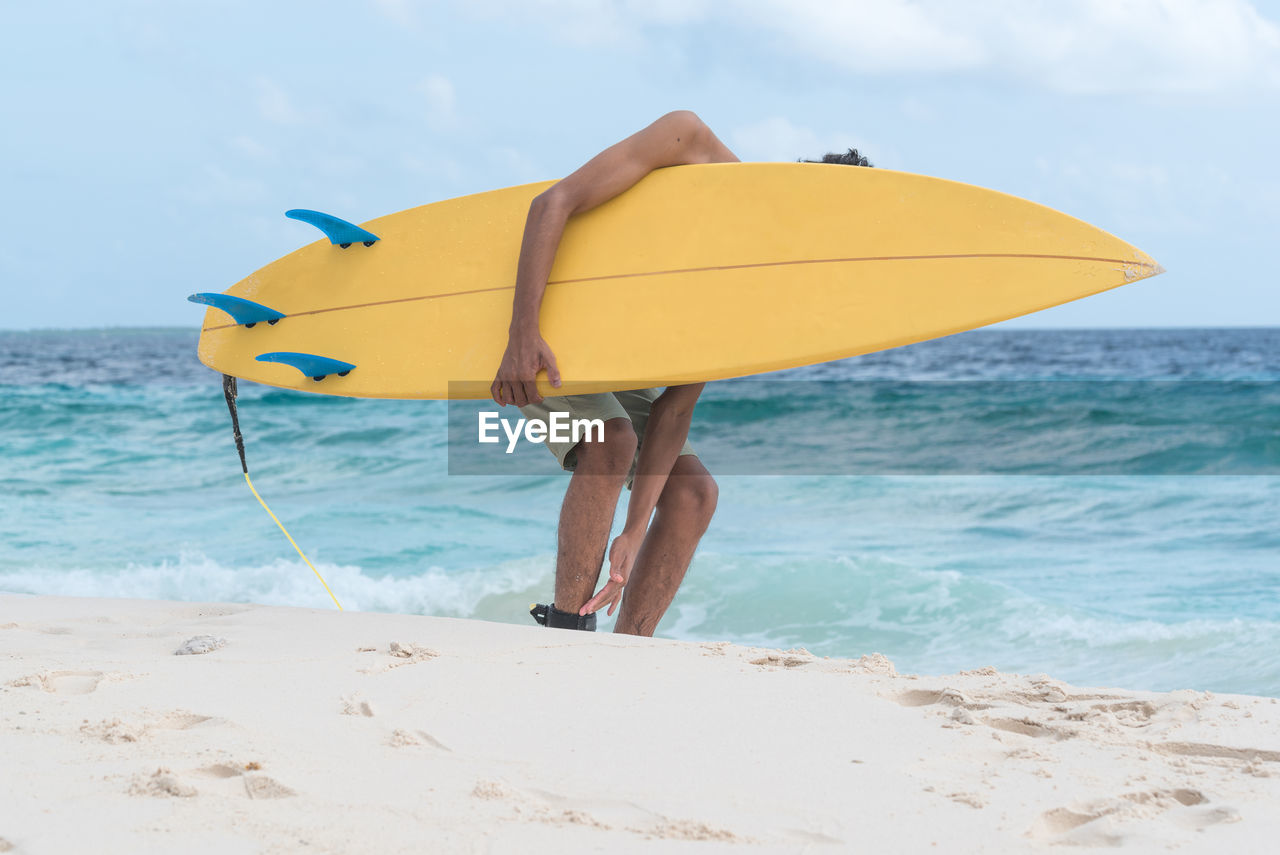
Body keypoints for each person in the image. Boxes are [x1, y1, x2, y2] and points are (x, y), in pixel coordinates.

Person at [490, 111, 871, 635]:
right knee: (612, 439)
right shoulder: (690, 141)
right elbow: (551, 204)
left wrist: (634, 530)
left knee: (693, 495)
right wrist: (521, 337)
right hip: (535, 327)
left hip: (616, 359)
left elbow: (675, 409)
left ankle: (629, 648)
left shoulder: (766, 286)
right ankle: (565, 632)